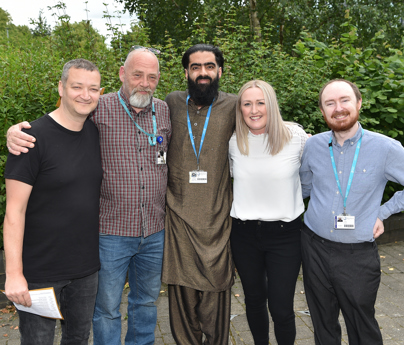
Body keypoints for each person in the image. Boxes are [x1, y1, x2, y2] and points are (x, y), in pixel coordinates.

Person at [6, 47, 171, 345]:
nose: (144, 82)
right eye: (137, 75)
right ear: (122, 74)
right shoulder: (99, 109)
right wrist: (15, 131)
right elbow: (57, 126)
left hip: (152, 232)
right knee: (105, 310)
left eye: (151, 76)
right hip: (110, 234)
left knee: (144, 304)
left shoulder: (164, 111)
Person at [3, 58, 102, 344]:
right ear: (61, 88)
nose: (85, 95)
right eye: (77, 86)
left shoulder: (94, 132)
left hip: (85, 270)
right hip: (39, 273)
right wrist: (14, 274)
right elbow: (13, 212)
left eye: (93, 88)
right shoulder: (30, 138)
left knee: (78, 339)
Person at [300, 79, 404, 345]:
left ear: (358, 103)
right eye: (330, 103)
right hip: (314, 249)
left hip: (357, 256)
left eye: (344, 100)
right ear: (322, 112)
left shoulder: (386, 148)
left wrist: (384, 212)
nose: (338, 108)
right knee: (323, 324)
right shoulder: (312, 147)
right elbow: (302, 188)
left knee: (362, 327)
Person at [162, 44, 236, 345]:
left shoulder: (235, 105)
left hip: (218, 220)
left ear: (220, 70)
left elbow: (267, 124)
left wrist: (303, 138)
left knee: (216, 296)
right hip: (178, 219)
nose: (202, 73)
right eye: (195, 67)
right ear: (186, 72)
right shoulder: (170, 103)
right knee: (181, 298)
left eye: (209, 66)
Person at [229, 80, 307, 345]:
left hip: (285, 235)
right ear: (239, 109)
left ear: (271, 105)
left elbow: (312, 178)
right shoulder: (233, 142)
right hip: (243, 234)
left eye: (260, 102)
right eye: (247, 103)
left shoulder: (296, 137)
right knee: (253, 299)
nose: (254, 110)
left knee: (281, 306)